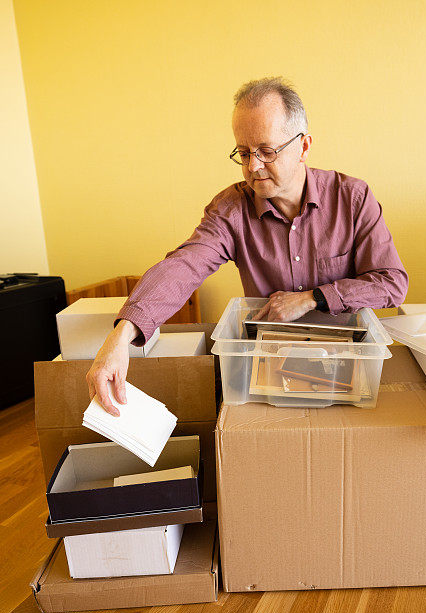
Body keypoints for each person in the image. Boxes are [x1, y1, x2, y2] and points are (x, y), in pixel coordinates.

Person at [86, 77, 408, 415]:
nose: (253, 167)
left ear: (304, 146)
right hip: (267, 374)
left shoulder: (352, 198)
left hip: (344, 370)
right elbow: (184, 266)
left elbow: (392, 282)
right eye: (243, 153)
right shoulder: (231, 209)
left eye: (267, 151)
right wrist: (122, 335)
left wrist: (313, 297)